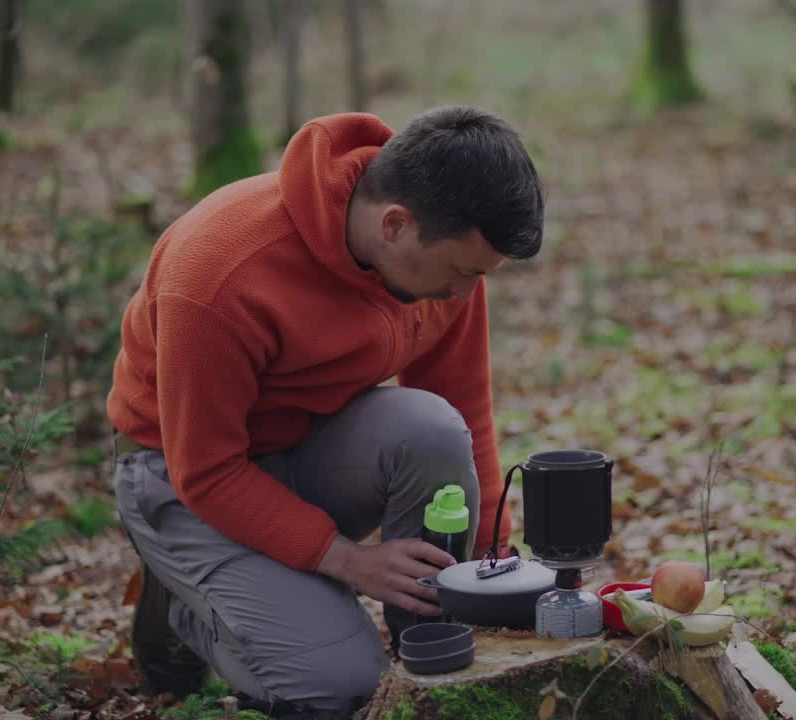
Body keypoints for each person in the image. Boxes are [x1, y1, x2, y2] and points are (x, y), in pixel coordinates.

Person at [107, 105, 545, 718]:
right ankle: (186, 601)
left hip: (308, 447)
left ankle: (423, 636)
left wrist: (493, 567)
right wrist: (348, 561)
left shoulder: (439, 264)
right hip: (178, 475)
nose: (464, 294)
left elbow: (465, 416)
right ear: (394, 225)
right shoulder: (218, 272)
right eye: (462, 271)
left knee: (433, 429)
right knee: (341, 690)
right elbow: (205, 471)